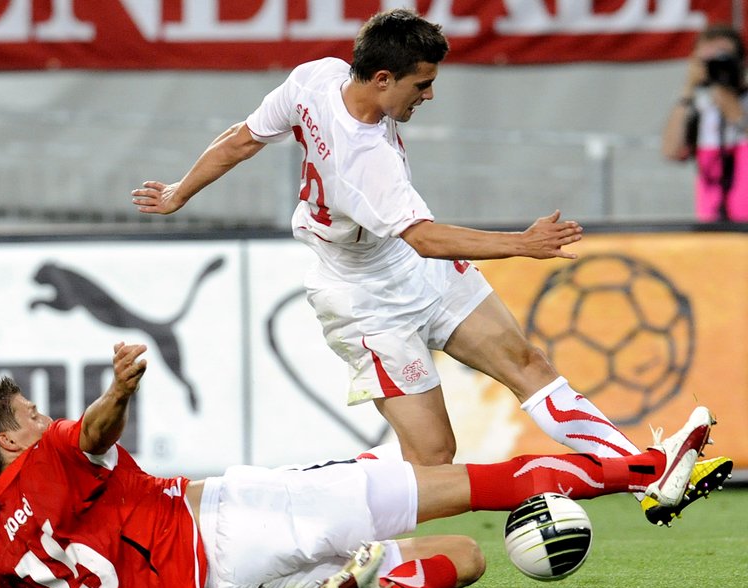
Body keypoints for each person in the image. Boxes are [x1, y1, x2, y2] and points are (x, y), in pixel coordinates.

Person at [131, 9, 731, 521]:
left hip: (411, 267)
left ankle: (647, 474)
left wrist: (181, 192)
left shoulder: (317, 77)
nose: (429, 95)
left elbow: (243, 137)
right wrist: (522, 244)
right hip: (366, 302)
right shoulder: (364, 162)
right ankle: (296, 508)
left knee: (527, 364)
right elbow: (426, 238)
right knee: (433, 458)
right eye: (422, 84)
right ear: (382, 78)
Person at [0, 342, 722, 588]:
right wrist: (121, 387)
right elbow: (95, 430)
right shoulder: (51, 454)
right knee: (473, 483)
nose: (41, 417)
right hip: (237, 515)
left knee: (462, 556)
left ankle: (354, 586)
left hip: (225, 587)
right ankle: (648, 466)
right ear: (9, 439)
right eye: (27, 413)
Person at [662, 24, 748, 223]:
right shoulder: (699, 107)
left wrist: (728, 99)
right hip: (712, 223)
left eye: (723, 59)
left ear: (741, 61)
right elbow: (671, 151)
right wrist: (688, 90)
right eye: (707, 61)